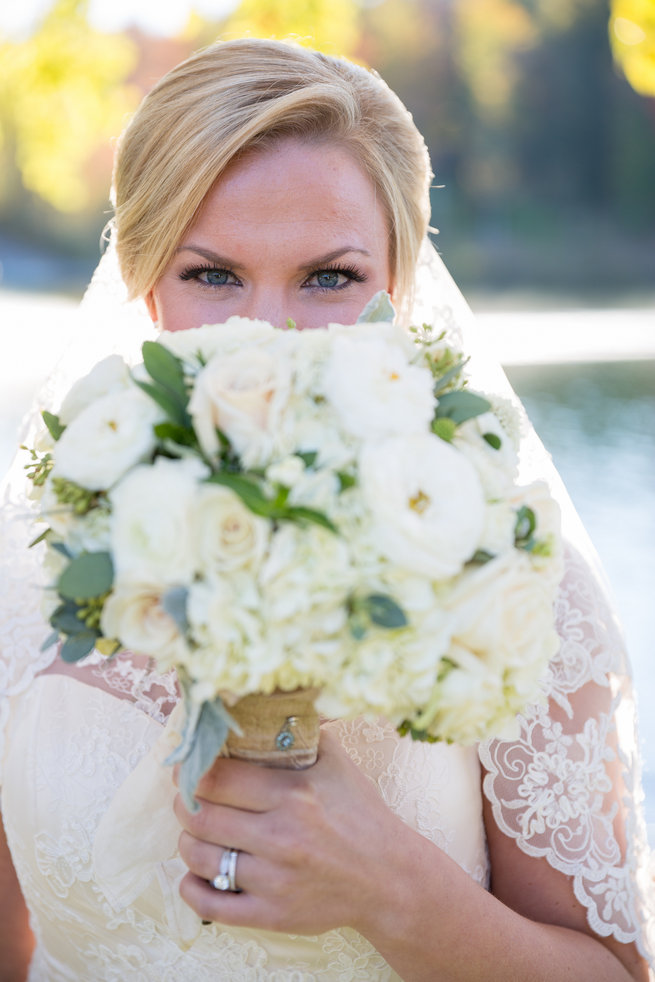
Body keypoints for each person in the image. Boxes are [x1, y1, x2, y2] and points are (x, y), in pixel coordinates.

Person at [0, 37, 653, 982]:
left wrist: (396, 891)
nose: (263, 334)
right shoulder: (32, 562)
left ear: (397, 289)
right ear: (145, 284)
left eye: (329, 278)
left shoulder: (508, 585)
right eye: (212, 274)